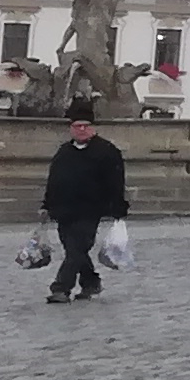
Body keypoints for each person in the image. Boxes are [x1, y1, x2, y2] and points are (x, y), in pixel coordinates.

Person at [40, 116, 127, 303]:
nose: (81, 129)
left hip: (91, 209)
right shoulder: (64, 151)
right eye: (77, 126)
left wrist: (117, 206)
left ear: (92, 128)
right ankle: (91, 282)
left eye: (85, 126)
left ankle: (61, 288)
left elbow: (116, 180)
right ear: (71, 128)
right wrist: (46, 205)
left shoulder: (106, 150)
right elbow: (53, 180)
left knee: (78, 247)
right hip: (64, 209)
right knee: (73, 249)